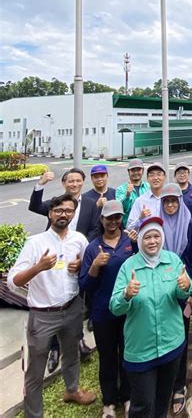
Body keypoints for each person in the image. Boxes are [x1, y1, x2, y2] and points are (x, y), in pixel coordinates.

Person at [7, 193, 96, 417]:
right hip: (42, 315)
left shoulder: (79, 240)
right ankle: (34, 414)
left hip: (72, 308)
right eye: (58, 210)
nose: (63, 214)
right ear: (50, 213)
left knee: (72, 354)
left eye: (68, 210)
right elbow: (12, 281)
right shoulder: (35, 243)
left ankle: (72, 390)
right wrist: (38, 267)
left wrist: (81, 266)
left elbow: (88, 267)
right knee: (35, 369)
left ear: (73, 214)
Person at [109, 217, 192, 418]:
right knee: (143, 405)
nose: (153, 241)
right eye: (147, 237)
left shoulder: (172, 260)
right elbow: (115, 307)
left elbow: (182, 291)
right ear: (140, 240)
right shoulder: (129, 267)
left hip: (171, 344)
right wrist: (126, 294)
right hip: (141, 350)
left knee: (163, 399)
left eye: (156, 236)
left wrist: (186, 286)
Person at [28, 167, 98, 366]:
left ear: (83, 182)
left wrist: (83, 257)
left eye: (78, 180)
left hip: (76, 260)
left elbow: (94, 229)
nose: (74, 184)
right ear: (64, 183)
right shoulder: (56, 202)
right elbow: (34, 206)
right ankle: (53, 349)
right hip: (53, 259)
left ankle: (78, 340)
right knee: (53, 303)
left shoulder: (91, 204)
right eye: (70, 181)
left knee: (75, 303)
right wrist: (40, 184)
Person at [79, 200, 134, 418]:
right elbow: (85, 285)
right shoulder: (93, 247)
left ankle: (127, 397)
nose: (113, 222)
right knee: (107, 358)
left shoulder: (130, 242)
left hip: (128, 310)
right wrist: (94, 266)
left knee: (128, 355)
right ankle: (109, 402)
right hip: (103, 313)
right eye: (108, 218)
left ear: (122, 218)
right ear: (101, 220)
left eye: (117, 217)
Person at [156, 184, 192, 416]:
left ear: (180, 202)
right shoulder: (156, 225)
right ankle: (162, 384)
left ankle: (178, 386)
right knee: (160, 334)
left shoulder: (189, 222)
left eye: (174, 201)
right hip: (159, 288)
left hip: (183, 285)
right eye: (167, 201)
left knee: (181, 336)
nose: (171, 205)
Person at [126, 162, 167, 230]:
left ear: (165, 177)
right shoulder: (140, 201)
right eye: (152, 175)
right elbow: (129, 228)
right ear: (147, 178)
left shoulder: (171, 199)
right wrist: (140, 219)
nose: (155, 178)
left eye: (159, 174)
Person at [115, 159, 150, 226]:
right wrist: (127, 196)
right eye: (133, 170)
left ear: (143, 171)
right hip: (129, 228)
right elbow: (121, 210)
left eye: (138, 170)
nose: (136, 172)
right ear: (128, 171)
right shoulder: (121, 189)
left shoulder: (148, 187)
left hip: (146, 226)